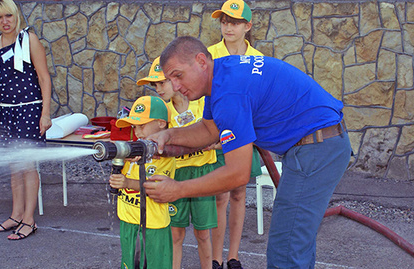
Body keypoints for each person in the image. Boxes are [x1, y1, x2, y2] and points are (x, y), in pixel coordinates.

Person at [144, 36, 352, 268]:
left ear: (201, 61)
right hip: (318, 144)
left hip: (317, 149)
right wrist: (169, 135)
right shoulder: (222, 75)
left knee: (286, 252)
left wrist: (178, 190)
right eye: (170, 79)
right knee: (294, 243)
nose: (175, 87)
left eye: (178, 75)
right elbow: (208, 130)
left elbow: (237, 174)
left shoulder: (229, 93)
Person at [137, 57, 218, 269]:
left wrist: (215, 145)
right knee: (176, 234)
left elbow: (221, 135)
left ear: (176, 79)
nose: (158, 88)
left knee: (202, 234)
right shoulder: (162, 112)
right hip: (176, 175)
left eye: (161, 82)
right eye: (154, 85)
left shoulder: (202, 101)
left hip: (203, 173)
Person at [0, 0, 51, 240]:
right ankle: (16, 214)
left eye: (9, 15)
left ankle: (29, 220)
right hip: (4, 111)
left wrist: (45, 113)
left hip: (28, 110)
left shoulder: (29, 39)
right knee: (14, 165)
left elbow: (44, 78)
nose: (5, 21)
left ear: (16, 15)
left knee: (28, 166)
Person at [207, 1, 263, 268]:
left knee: (240, 194)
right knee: (221, 195)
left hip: (244, 136)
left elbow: (259, 102)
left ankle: (233, 256)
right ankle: (216, 258)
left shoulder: (258, 59)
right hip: (218, 136)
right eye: (224, 21)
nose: (227, 27)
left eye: (234, 22)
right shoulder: (208, 55)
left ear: (247, 26)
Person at [111, 95, 176, 269]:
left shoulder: (166, 157)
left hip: (153, 227)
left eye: (142, 126)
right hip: (128, 223)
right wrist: (119, 164)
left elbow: (156, 187)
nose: (137, 132)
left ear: (161, 124)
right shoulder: (130, 152)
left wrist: (126, 183)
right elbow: (118, 178)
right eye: (134, 127)